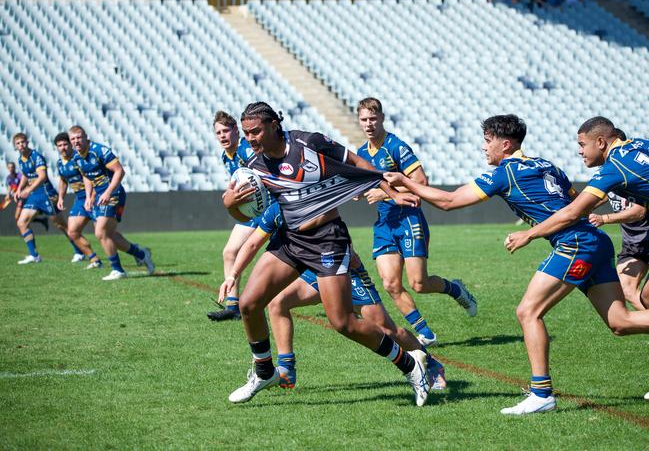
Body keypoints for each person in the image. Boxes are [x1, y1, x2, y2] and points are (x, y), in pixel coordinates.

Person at [385, 114, 649, 414]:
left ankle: (541, 394)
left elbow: (449, 201)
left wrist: (406, 181)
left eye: (487, 141)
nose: (484, 148)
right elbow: (573, 201)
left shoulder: (506, 172)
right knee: (620, 322)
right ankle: (541, 394)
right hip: (597, 242)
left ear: (505, 144)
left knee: (528, 312)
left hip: (576, 244)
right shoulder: (547, 165)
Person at [221, 101, 432, 406]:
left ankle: (411, 366)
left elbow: (360, 165)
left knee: (343, 322)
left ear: (273, 125)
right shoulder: (255, 169)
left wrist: (393, 193)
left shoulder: (309, 143)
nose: (250, 138)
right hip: (291, 241)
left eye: (255, 131)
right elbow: (247, 217)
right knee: (249, 304)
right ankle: (264, 371)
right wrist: (231, 206)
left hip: (327, 241)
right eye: (247, 133)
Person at [220, 200, 446, 390]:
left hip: (344, 272)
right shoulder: (276, 209)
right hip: (313, 273)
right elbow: (250, 240)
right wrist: (232, 274)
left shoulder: (316, 202)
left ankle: (432, 365)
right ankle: (286, 371)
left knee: (386, 330)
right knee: (278, 303)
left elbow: (341, 241)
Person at [355, 97, 477, 347]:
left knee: (418, 284)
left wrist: (385, 191)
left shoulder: (396, 146)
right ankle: (426, 334)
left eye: (373, 119)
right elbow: (360, 184)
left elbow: (421, 183)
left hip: (408, 219)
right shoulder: (360, 153)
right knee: (390, 284)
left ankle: (456, 289)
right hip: (384, 224)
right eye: (364, 119)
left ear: (382, 119)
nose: (369, 124)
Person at [68, 125, 154, 280]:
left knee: (100, 232)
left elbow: (120, 171)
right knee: (110, 235)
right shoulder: (76, 158)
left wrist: (108, 192)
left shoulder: (99, 150)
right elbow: (87, 176)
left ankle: (118, 270)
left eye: (79, 137)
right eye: (73, 139)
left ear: (86, 137)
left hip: (114, 193)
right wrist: (88, 196)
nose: (77, 141)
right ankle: (142, 254)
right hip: (99, 195)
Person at [586, 129, 648, 311]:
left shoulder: (633, 176)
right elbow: (599, 197)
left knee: (645, 296)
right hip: (633, 245)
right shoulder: (612, 176)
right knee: (627, 290)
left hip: (645, 237)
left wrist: (604, 218)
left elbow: (638, 211)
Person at [207, 111, 256, 322]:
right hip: (254, 212)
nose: (223, 135)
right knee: (229, 252)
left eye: (226, 130)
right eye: (218, 132)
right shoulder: (225, 156)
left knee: (301, 256)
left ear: (236, 130)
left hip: (272, 209)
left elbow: (262, 178)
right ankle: (233, 307)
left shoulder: (247, 149)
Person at [12, 133, 85, 264]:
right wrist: (19, 189)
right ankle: (34, 255)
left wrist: (28, 189)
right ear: (15, 146)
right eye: (18, 143)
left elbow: (42, 177)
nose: (21, 145)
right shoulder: (20, 159)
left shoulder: (36, 157)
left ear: (27, 142)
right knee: (21, 222)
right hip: (34, 196)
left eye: (22, 142)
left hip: (46, 194)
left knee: (61, 225)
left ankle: (79, 252)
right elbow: (25, 174)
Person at [54, 132, 103, 269]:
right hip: (80, 199)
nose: (63, 147)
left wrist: (91, 197)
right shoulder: (59, 163)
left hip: (94, 196)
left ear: (70, 144)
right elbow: (63, 180)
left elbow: (90, 177)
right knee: (72, 232)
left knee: (103, 233)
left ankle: (136, 252)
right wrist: (61, 198)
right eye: (59, 145)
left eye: (65, 144)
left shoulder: (79, 158)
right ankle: (94, 259)